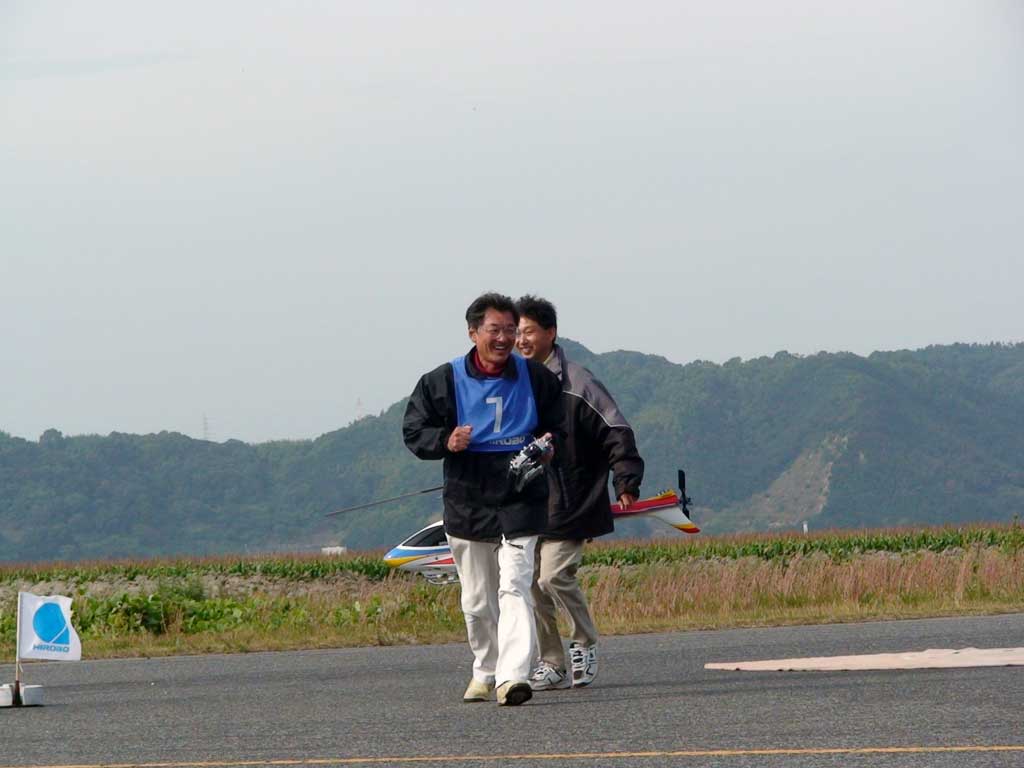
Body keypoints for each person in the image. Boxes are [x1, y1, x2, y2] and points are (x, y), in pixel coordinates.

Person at [403, 292, 564, 707]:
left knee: (515, 586)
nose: (505, 338)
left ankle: (512, 678)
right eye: (495, 330)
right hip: (468, 494)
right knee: (477, 599)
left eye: (511, 329)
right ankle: (485, 669)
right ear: (473, 332)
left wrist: (548, 448)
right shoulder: (442, 380)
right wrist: (446, 440)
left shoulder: (537, 378)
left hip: (522, 492)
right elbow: (414, 430)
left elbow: (559, 427)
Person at [515, 295, 644, 690]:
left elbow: (616, 430)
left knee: (552, 577)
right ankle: (551, 661)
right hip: (527, 502)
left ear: (550, 333)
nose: (520, 340)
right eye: (516, 332)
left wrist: (626, 481)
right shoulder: (513, 384)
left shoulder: (578, 382)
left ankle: (584, 643)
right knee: (529, 584)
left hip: (572, 499)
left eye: (528, 331)